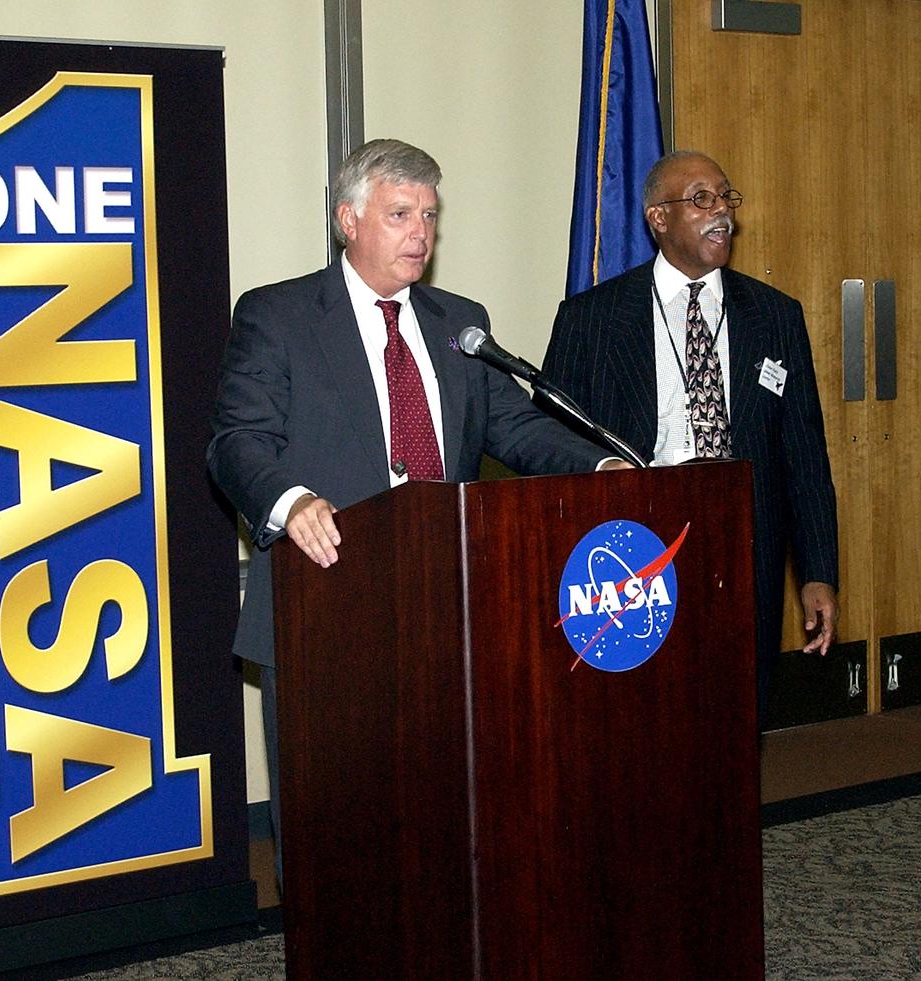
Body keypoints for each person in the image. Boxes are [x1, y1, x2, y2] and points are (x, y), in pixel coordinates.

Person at [207, 138, 627, 868]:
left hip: (447, 604)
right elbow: (237, 441)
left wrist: (600, 461)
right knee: (331, 824)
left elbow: (515, 426)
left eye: (429, 215)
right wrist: (292, 498)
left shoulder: (457, 320)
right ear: (348, 220)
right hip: (327, 599)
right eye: (400, 213)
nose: (421, 234)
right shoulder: (278, 315)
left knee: (443, 818)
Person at [541, 150, 839, 718]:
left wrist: (819, 572)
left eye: (727, 197)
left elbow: (804, 455)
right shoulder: (591, 319)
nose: (721, 211)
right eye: (702, 199)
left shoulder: (776, 315)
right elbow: (552, 446)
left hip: (744, 542)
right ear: (659, 218)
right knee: (638, 711)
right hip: (631, 553)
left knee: (735, 711)